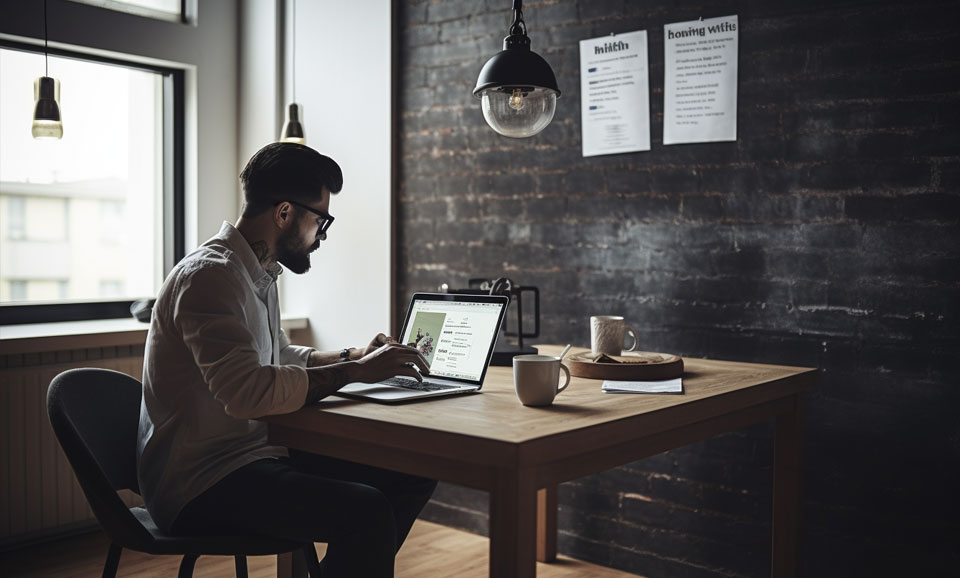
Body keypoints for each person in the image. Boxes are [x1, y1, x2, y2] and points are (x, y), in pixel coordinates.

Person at [137, 142, 435, 577]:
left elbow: (277, 355)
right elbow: (248, 395)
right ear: (284, 213)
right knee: (366, 512)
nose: (323, 233)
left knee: (413, 472)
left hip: (252, 455)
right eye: (321, 220)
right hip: (200, 482)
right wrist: (355, 372)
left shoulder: (255, 273)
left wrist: (355, 355)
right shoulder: (209, 278)